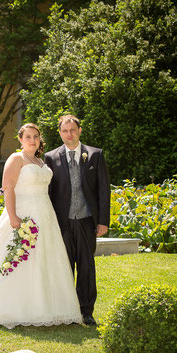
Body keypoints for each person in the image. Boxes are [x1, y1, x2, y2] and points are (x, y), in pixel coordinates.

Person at [0, 123, 82, 328]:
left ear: (40, 140)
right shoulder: (16, 159)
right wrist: (13, 217)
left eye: (36, 137)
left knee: (47, 259)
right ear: (20, 140)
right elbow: (8, 188)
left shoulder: (40, 161)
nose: (33, 140)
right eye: (28, 137)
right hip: (24, 214)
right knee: (19, 258)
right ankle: (7, 307)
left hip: (46, 215)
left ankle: (49, 309)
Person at [44, 115, 110, 326]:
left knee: (86, 267)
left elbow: (103, 190)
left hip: (86, 220)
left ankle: (86, 311)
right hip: (62, 222)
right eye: (65, 131)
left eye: (73, 130)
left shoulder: (95, 155)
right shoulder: (50, 157)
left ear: (79, 131)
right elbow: (48, 192)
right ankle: (66, 311)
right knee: (64, 267)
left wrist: (103, 221)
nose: (69, 134)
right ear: (60, 133)